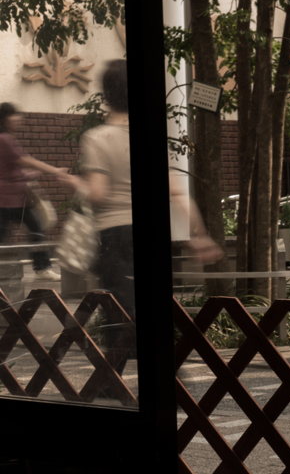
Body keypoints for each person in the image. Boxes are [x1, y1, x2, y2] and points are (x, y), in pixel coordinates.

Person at [71, 60, 221, 378]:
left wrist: (75, 183)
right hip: (151, 233)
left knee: (119, 310)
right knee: (146, 307)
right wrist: (199, 234)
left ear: (105, 96)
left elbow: (98, 194)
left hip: (114, 235)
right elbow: (178, 193)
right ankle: (147, 380)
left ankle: (130, 382)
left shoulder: (97, 138)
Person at [0, 102, 78, 281]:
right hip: (12, 199)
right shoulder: (5, 139)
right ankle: (42, 268)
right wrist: (55, 170)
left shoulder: (5, 139)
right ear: (5, 119)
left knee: (12, 232)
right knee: (35, 229)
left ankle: (41, 268)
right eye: (14, 115)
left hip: (9, 198)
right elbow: (27, 161)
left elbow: (10, 168)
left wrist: (25, 175)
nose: (18, 119)